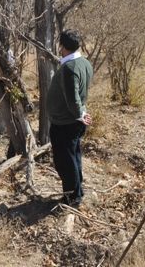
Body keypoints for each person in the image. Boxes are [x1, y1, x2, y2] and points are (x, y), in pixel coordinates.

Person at [47, 30, 93, 207]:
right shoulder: (84, 62)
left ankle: (71, 198)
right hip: (73, 121)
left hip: (66, 123)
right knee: (74, 157)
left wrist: (80, 115)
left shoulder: (69, 68)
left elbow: (73, 98)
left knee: (65, 161)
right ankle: (77, 191)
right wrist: (81, 115)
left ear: (62, 46)